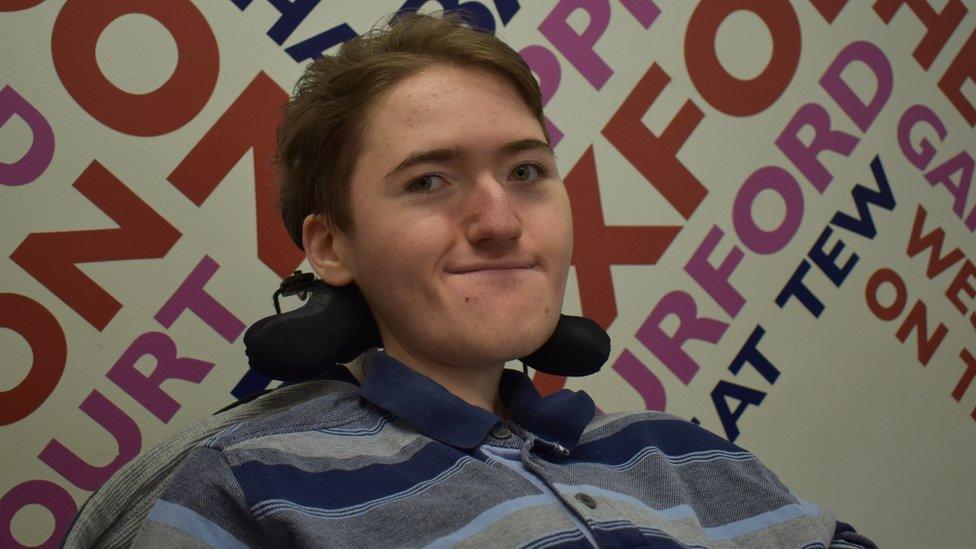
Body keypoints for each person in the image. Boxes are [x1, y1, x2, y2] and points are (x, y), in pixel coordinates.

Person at [132, 12, 875, 548]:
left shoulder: (681, 451)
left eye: (525, 171)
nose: (500, 220)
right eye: (429, 181)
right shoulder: (251, 489)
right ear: (329, 245)